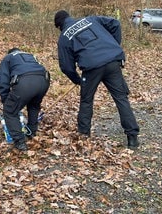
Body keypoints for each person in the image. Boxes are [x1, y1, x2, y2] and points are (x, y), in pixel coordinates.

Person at [54, 10, 140, 150]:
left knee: (86, 101)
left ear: (59, 26)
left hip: (91, 68)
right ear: (70, 16)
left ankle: (83, 136)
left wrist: (77, 80)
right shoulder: (91, 19)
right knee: (121, 98)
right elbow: (115, 23)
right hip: (113, 61)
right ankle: (132, 138)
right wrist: (114, 46)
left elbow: (66, 67)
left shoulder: (64, 37)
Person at [0, 48, 50, 151]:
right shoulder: (30, 56)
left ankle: (20, 142)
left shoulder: (8, 58)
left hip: (25, 82)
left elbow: (3, 81)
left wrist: (6, 100)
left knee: (10, 111)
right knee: (34, 106)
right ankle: (32, 132)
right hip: (44, 80)